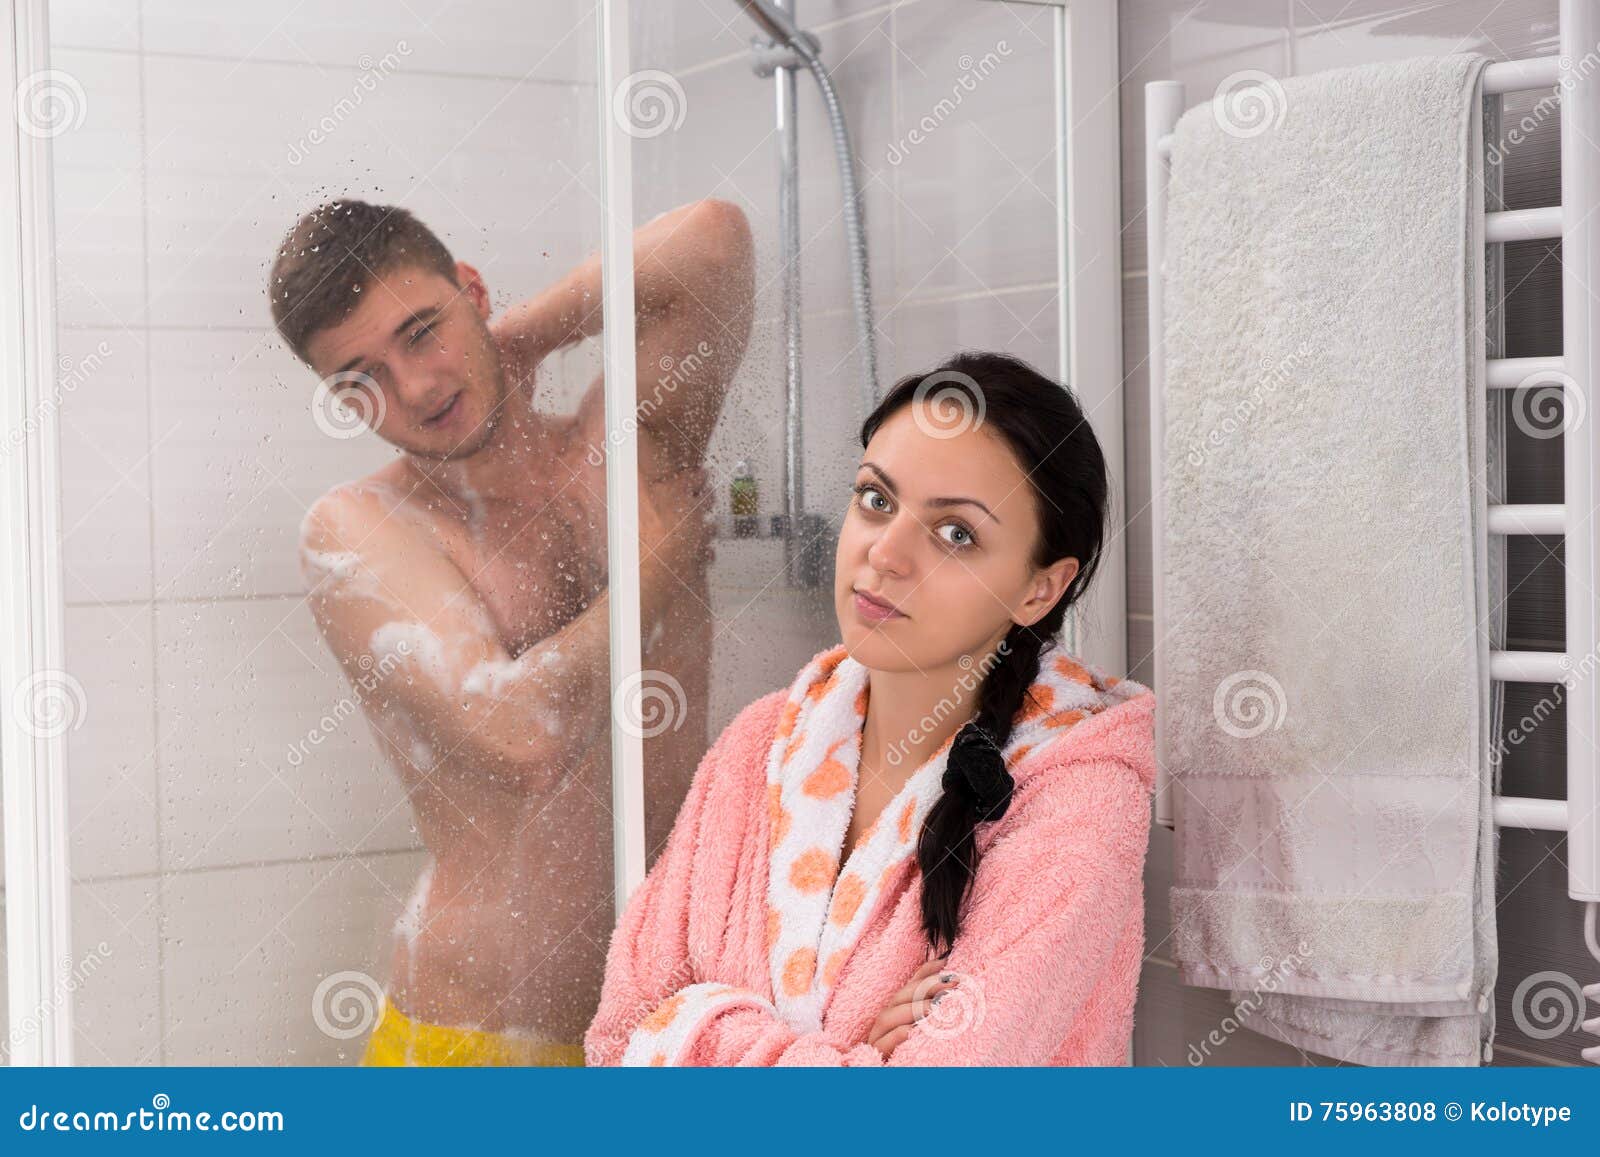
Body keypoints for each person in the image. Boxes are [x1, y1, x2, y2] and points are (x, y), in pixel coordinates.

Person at [269, 197, 754, 1065]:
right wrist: (650, 576)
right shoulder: (360, 529)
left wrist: (525, 336)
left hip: (671, 1021)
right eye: (361, 378)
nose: (415, 388)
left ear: (475, 291)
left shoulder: (622, 454)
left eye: (424, 331)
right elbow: (518, 734)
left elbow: (714, 242)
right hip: (482, 1035)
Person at [584, 351, 1156, 1066]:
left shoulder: (1078, 801)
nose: (884, 553)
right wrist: (847, 1055)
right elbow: (616, 1036)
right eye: (877, 499)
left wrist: (705, 1031)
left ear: (1040, 588)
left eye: (956, 534)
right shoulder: (763, 740)